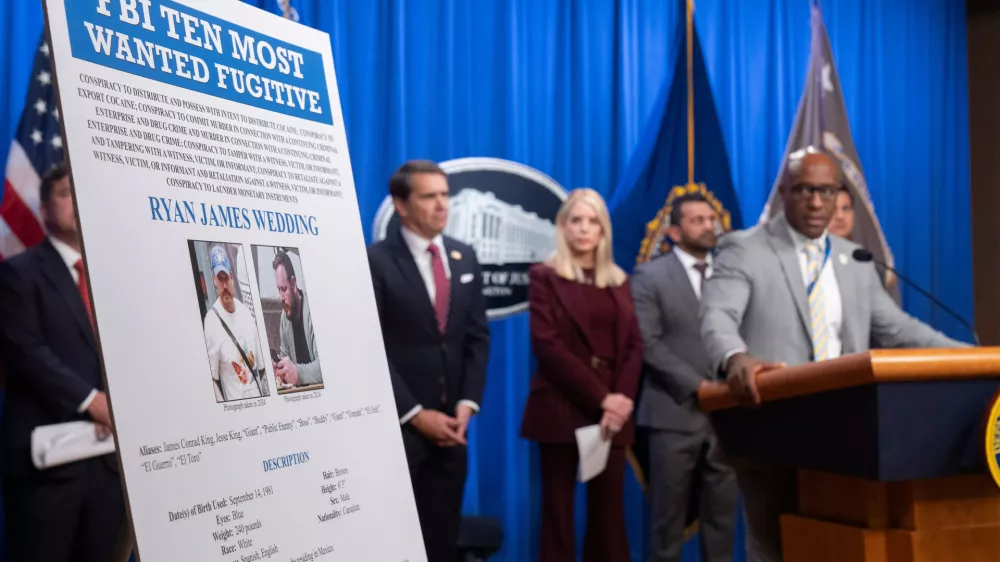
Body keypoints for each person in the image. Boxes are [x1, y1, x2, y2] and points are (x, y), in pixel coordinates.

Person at [700, 148, 968, 562]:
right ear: (785, 191)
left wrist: (969, 357)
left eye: (826, 191)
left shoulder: (853, 259)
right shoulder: (745, 249)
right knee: (775, 548)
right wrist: (735, 357)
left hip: (844, 436)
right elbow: (717, 317)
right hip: (773, 428)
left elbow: (897, 330)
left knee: (836, 546)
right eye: (805, 189)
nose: (816, 201)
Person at [367, 160, 490, 562]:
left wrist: (466, 404)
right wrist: (416, 414)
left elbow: (476, 337)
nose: (442, 205)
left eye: (445, 195)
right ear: (401, 205)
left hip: (454, 429)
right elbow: (370, 348)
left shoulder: (464, 256)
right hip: (400, 431)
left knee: (442, 538)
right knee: (397, 541)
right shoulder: (376, 260)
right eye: (429, 196)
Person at [0, 164, 124, 561]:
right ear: (43, 207)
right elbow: (25, 353)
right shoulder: (18, 274)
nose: (76, 200)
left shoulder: (113, 279)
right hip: (49, 472)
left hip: (109, 469)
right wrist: (92, 401)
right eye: (66, 192)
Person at [521, 188, 643, 562]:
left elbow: (634, 347)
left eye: (593, 222)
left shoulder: (620, 281)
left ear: (604, 230)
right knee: (558, 518)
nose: (585, 229)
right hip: (562, 407)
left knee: (609, 521)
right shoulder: (545, 276)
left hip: (613, 414)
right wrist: (602, 398)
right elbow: (548, 346)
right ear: (562, 226)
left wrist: (619, 401)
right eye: (576, 220)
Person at [631, 193, 737, 562]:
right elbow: (647, 342)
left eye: (712, 219)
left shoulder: (729, 274)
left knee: (723, 522)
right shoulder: (650, 276)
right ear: (675, 232)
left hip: (726, 417)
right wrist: (698, 387)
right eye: (698, 220)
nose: (710, 226)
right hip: (673, 415)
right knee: (667, 525)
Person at [203, 245, 266, 401]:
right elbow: (212, 378)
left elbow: (262, 368)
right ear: (214, 279)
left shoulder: (246, 313)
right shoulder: (211, 322)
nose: (224, 285)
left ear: (232, 276)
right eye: (220, 279)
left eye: (226, 278)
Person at [272, 249, 322, 387]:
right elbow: (284, 356)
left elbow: (325, 366)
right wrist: (279, 369)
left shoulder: (312, 311)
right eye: (278, 290)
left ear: (293, 284)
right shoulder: (285, 316)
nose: (281, 297)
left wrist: (298, 373)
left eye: (284, 289)